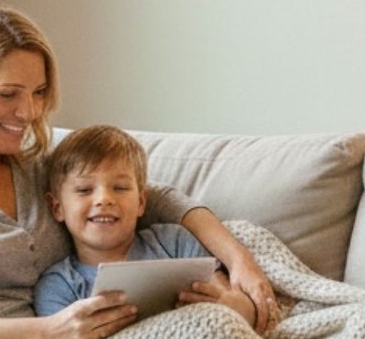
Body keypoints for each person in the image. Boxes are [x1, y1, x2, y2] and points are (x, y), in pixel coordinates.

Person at [0, 5, 279, 339]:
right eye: (8, 94)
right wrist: (49, 333)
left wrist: (238, 261)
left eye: (39, 92)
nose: (28, 112)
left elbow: (155, 198)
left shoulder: (35, 167)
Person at [32, 124, 256, 326]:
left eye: (120, 188)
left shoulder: (174, 242)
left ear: (141, 203)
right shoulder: (58, 285)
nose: (103, 199)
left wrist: (236, 308)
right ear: (57, 208)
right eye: (84, 190)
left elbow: (232, 301)